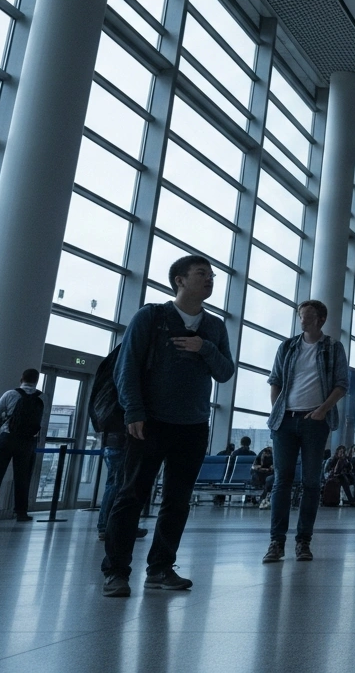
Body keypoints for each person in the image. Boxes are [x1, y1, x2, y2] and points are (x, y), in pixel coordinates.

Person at [101, 254, 235, 598]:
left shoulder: (215, 326)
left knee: (177, 501)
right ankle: (116, 571)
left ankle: (160, 568)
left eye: (212, 275)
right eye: (202, 274)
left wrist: (203, 347)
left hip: (193, 424)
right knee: (131, 496)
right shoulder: (152, 316)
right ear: (180, 280)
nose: (210, 280)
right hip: (150, 422)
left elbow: (224, 372)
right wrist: (133, 411)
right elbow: (126, 366)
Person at [263, 298, 348, 562]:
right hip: (285, 421)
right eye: (300, 316)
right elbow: (275, 380)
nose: (303, 320)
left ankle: (303, 541)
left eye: (308, 316)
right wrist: (278, 408)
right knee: (282, 481)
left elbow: (341, 384)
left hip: (315, 420)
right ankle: (276, 542)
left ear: (321, 319)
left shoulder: (333, 348)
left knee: (311, 482)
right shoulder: (288, 347)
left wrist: (322, 410)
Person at [0, 369, 44, 523]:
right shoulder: (42, 398)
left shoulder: (10, 394)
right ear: (37, 380)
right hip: (27, 442)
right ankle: (21, 512)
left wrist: (5, 417)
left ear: (21, 378)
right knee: (22, 478)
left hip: (7, 438)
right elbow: (41, 423)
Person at [96, 429, 147, 542]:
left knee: (113, 485)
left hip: (110, 443)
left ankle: (107, 526)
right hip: (122, 443)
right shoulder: (124, 411)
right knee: (118, 486)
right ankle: (109, 527)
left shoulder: (103, 410)